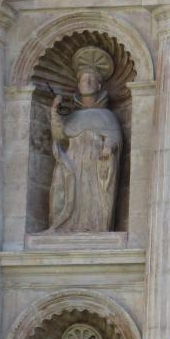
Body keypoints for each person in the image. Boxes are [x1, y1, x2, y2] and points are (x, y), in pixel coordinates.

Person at [47, 46, 121, 233]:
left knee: (92, 196)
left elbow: (114, 137)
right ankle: (65, 227)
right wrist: (54, 112)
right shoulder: (71, 117)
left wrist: (108, 146)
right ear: (78, 85)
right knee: (66, 193)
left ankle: (95, 227)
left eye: (91, 79)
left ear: (99, 86)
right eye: (83, 79)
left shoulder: (107, 116)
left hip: (94, 164)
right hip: (72, 162)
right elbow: (59, 136)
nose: (86, 82)